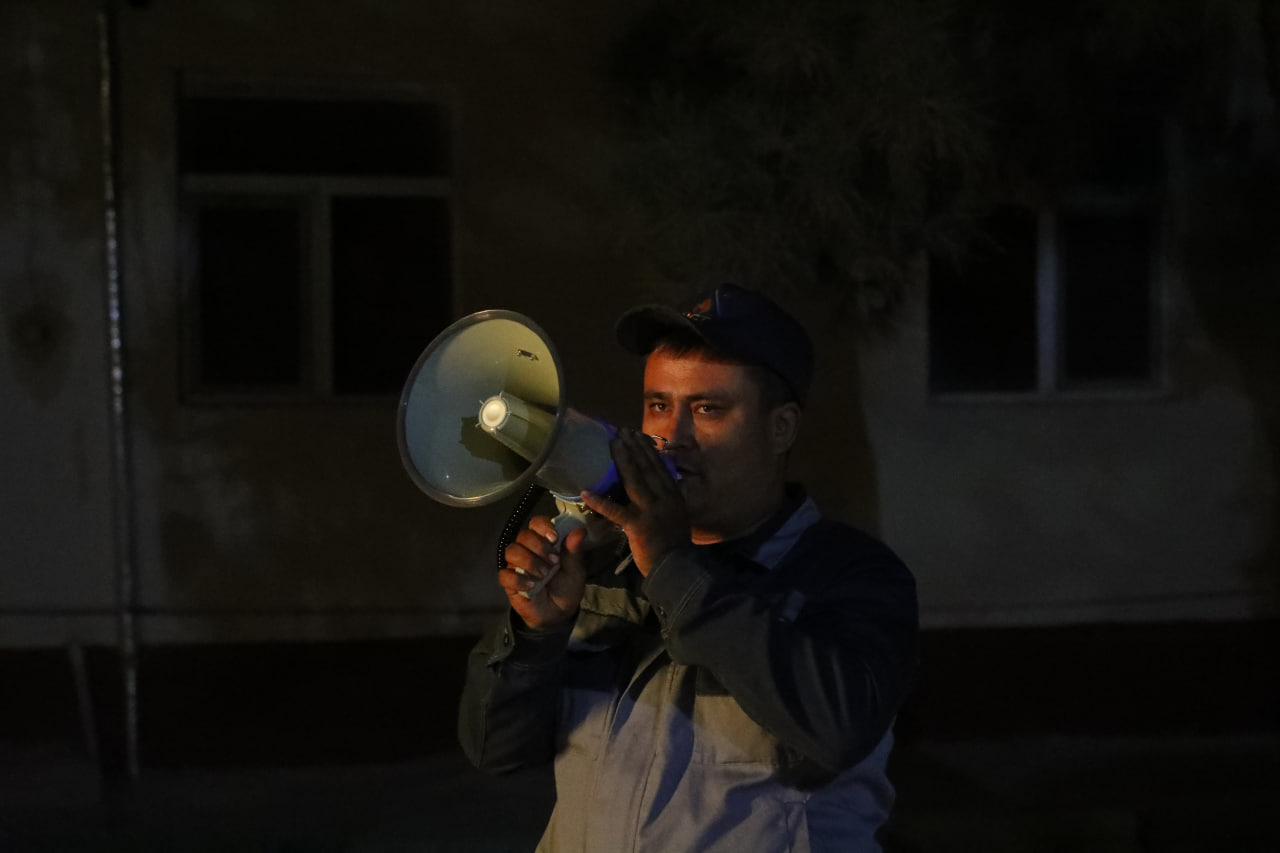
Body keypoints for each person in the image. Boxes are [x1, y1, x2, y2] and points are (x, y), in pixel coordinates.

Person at [458, 284, 918, 852]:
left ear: (781, 428)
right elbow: (495, 751)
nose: (670, 438)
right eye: (658, 405)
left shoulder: (850, 575)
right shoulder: (602, 571)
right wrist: (536, 634)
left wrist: (673, 568)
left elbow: (839, 726)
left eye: (707, 410)